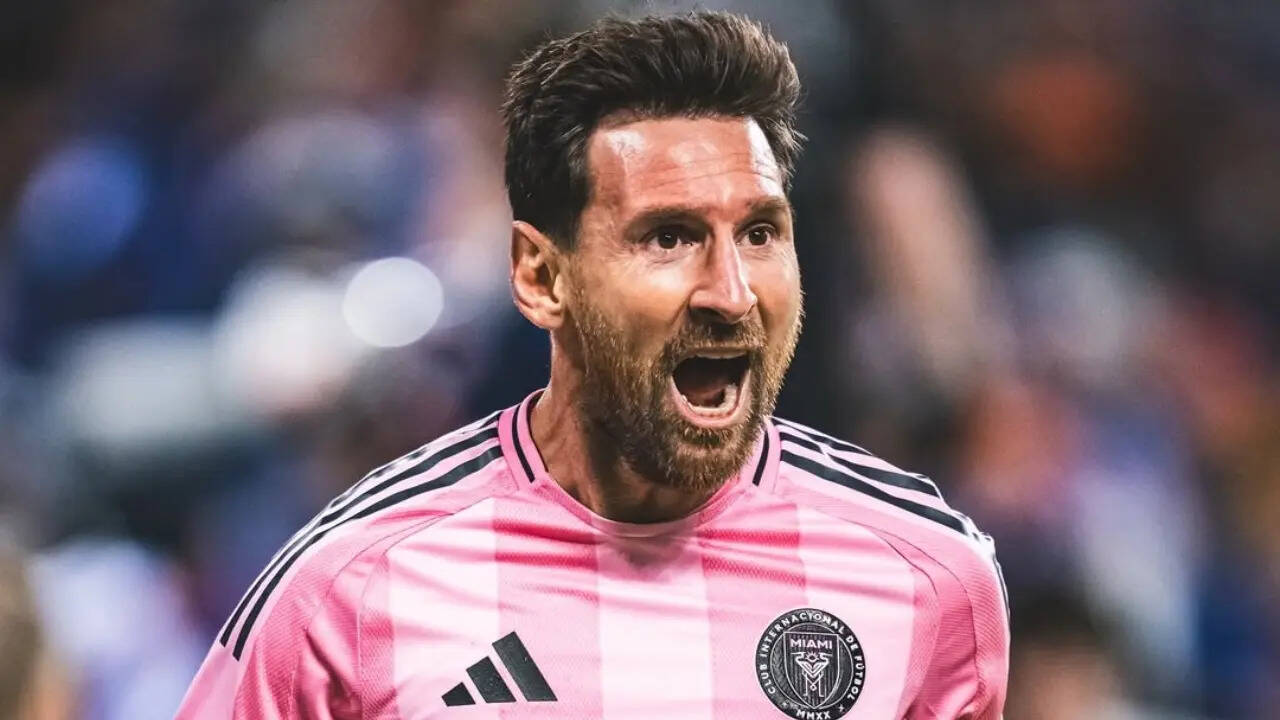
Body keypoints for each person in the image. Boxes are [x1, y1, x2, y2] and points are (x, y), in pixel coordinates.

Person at [176, 12, 1008, 719]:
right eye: (668, 237)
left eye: (760, 233)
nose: (731, 293)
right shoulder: (348, 586)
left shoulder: (929, 575)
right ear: (542, 277)